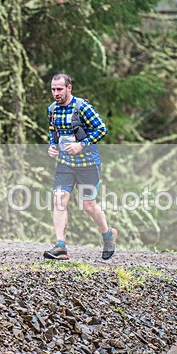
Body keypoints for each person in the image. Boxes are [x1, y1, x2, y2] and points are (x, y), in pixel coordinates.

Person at [43, 73, 118, 260]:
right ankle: (60, 246)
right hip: (65, 164)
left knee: (88, 206)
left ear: (69, 88)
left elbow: (102, 129)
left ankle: (108, 235)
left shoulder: (82, 107)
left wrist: (81, 145)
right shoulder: (52, 109)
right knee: (59, 200)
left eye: (59, 89)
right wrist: (52, 146)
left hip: (88, 165)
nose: (56, 93)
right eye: (53, 89)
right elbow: (53, 133)